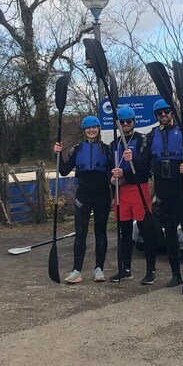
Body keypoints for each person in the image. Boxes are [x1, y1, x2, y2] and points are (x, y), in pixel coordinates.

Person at [125, 99, 183, 288]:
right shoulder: (151, 136)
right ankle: (176, 274)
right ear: (156, 116)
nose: (163, 115)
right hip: (163, 189)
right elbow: (142, 164)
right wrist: (131, 158)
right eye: (159, 113)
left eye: (166, 111)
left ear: (171, 112)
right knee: (170, 233)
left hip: (182, 187)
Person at [54, 116, 113, 285]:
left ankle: (99, 269)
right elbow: (64, 171)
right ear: (84, 130)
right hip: (83, 195)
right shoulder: (77, 149)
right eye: (88, 128)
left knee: (100, 232)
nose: (91, 130)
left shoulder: (107, 149)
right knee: (80, 233)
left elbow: (112, 172)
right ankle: (76, 271)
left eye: (94, 127)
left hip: (102, 194)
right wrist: (57, 154)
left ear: (99, 129)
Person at [110, 106, 158, 285]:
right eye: (122, 122)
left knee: (146, 230)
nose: (125, 125)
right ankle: (126, 269)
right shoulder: (114, 144)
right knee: (125, 231)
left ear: (133, 122)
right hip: (122, 190)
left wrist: (131, 162)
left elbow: (144, 166)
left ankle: (151, 270)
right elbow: (111, 167)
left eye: (128, 122)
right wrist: (113, 177)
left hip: (139, 187)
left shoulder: (141, 140)